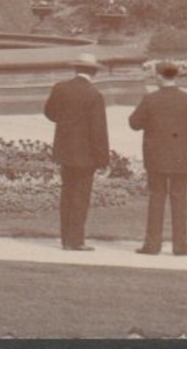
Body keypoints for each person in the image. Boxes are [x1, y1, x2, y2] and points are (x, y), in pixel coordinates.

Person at [129, 61, 187, 256]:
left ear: (160, 76)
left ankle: (152, 244)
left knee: (156, 199)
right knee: (180, 201)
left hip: (156, 157)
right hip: (182, 158)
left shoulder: (150, 99)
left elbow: (134, 123)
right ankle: (181, 244)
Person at [42, 52, 110, 252]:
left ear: (76, 69)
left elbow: (49, 112)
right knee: (81, 196)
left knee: (67, 194)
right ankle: (76, 240)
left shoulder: (61, 88)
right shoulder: (94, 95)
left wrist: (65, 124)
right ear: (94, 71)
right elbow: (99, 131)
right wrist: (102, 158)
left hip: (65, 150)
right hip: (86, 154)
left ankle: (66, 239)